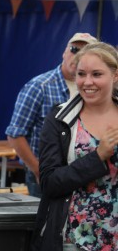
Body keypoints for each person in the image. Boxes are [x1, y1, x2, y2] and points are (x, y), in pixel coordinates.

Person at [30, 42, 118, 251]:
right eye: (81, 74)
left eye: (97, 74)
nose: (87, 82)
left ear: (115, 75)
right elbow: (49, 182)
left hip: (116, 240)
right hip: (73, 238)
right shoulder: (60, 119)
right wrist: (98, 157)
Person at [6, 32, 97, 196]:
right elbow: (15, 135)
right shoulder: (39, 86)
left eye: (85, 52)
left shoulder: (95, 89)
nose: (77, 56)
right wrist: (38, 169)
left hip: (84, 174)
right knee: (46, 213)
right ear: (64, 52)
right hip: (48, 173)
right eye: (74, 49)